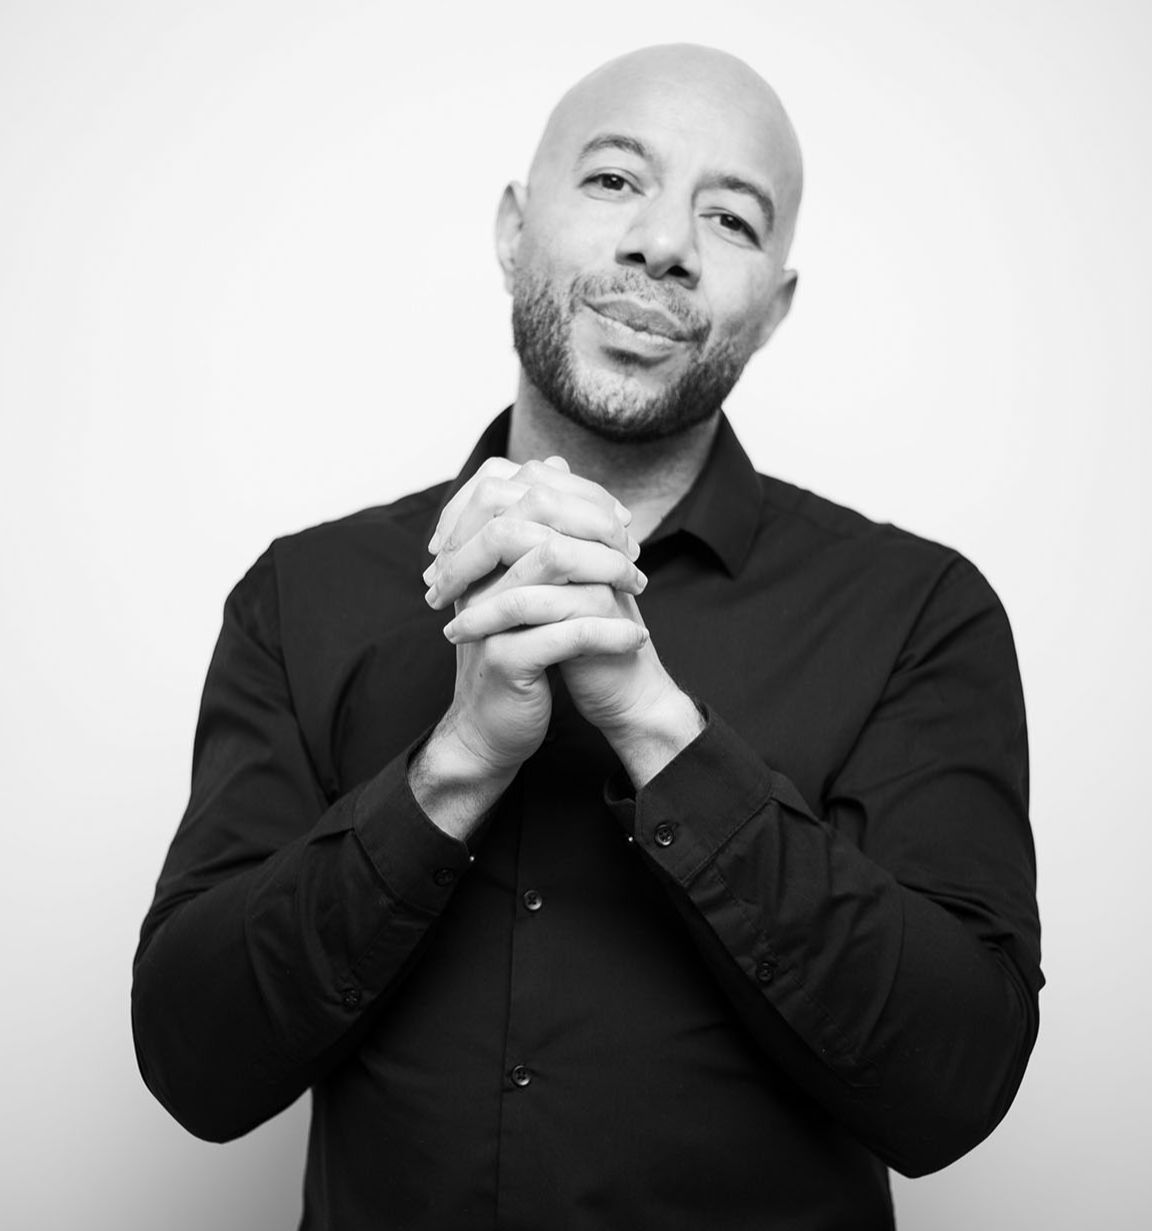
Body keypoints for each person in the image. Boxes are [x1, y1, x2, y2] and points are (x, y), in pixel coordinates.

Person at [132, 43, 1042, 1230]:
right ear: (514, 231)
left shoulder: (919, 613)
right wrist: (455, 765)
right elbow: (195, 1062)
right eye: (615, 179)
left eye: (730, 217)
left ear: (773, 308)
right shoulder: (302, 597)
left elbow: (953, 1089)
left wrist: (658, 729)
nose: (664, 242)